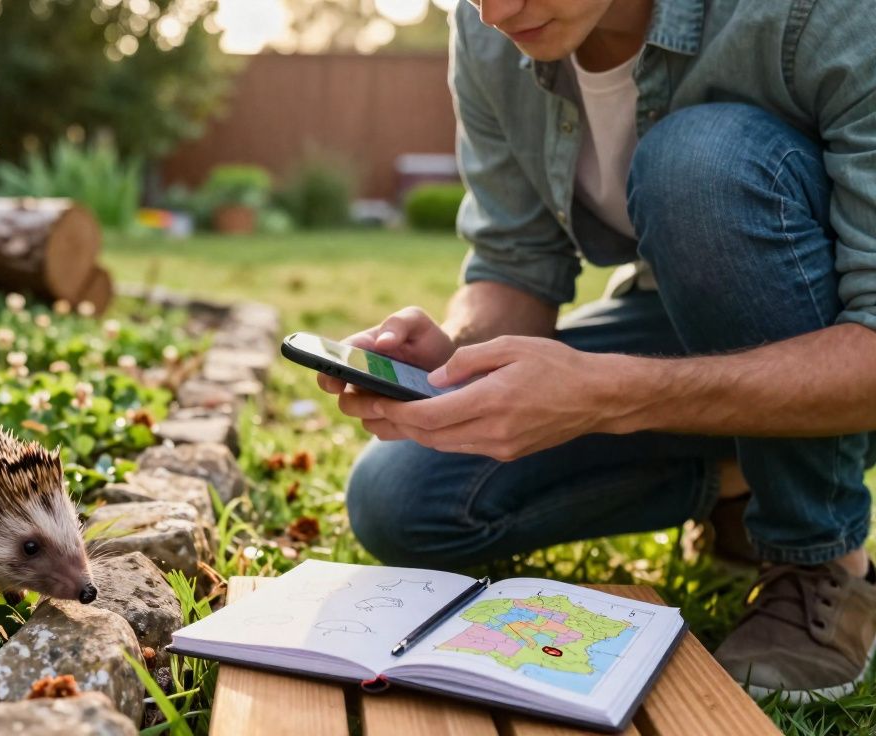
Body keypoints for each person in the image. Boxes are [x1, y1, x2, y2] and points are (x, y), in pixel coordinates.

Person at [321, 0, 876, 702]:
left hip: (844, 334)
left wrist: (611, 395)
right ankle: (746, 477)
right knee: (401, 497)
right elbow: (516, 263)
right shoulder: (485, 32)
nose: (496, 13)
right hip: (681, 319)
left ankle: (822, 556)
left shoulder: (824, 13)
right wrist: (454, 358)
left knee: (697, 164)